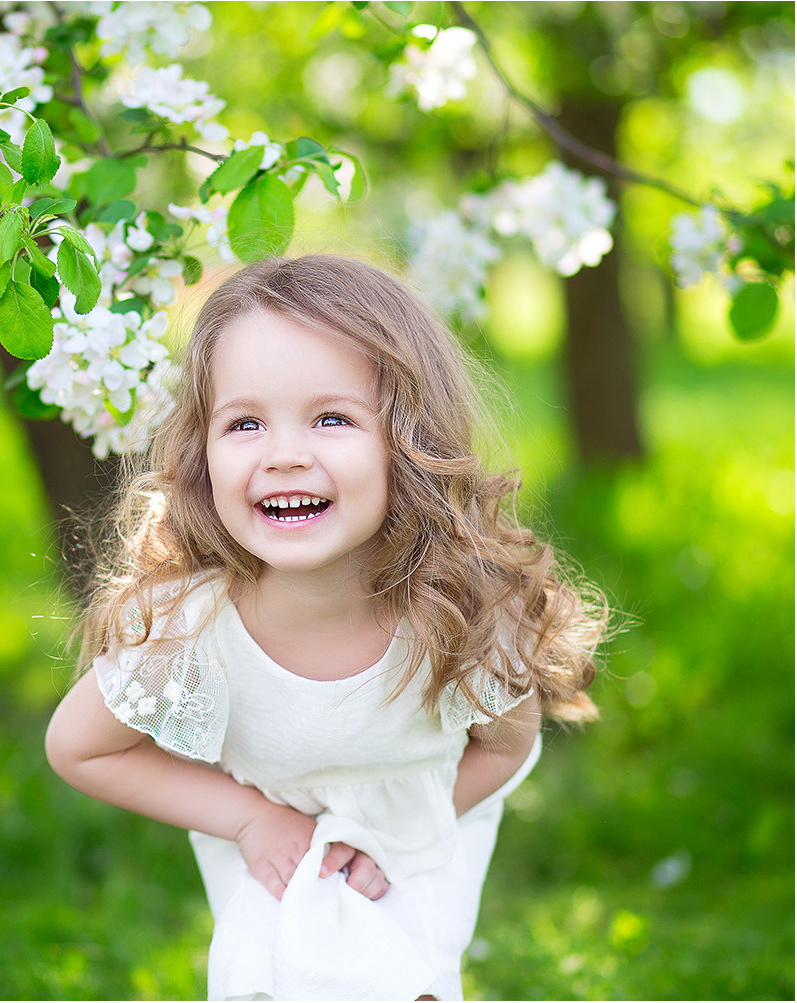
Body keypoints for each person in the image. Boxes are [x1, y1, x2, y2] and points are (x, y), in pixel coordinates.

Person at [44, 255, 606, 1001]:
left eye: (331, 418)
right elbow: (78, 749)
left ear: (407, 443)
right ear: (200, 453)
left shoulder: (458, 615)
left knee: (406, 980)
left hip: (416, 843)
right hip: (270, 850)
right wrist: (248, 819)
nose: (283, 455)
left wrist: (403, 839)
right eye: (245, 422)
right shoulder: (193, 628)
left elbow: (508, 745)